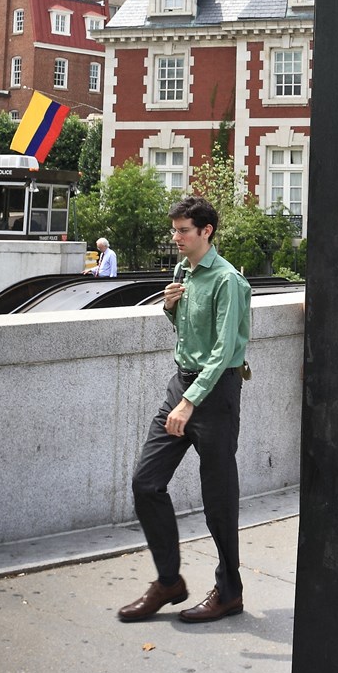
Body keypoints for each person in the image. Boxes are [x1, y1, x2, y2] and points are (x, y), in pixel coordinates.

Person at [118, 195, 251, 625]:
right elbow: (188, 336)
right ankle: (169, 581)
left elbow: (224, 348)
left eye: (183, 231)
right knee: (145, 482)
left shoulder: (227, 280)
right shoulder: (182, 273)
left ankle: (229, 591)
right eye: (174, 230)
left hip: (215, 395)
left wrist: (190, 403)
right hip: (183, 383)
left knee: (218, 502)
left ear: (205, 232)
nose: (175, 237)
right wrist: (170, 308)